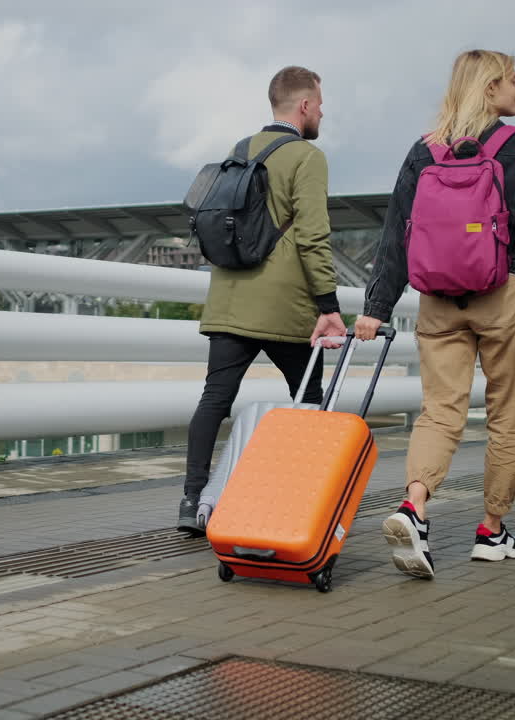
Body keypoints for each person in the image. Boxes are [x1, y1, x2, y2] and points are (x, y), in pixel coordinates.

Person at [354, 49, 515, 578]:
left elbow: (396, 236)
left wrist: (376, 307)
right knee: (510, 414)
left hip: (438, 299)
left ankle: (415, 507)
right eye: (514, 81)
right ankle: (491, 531)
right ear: (491, 86)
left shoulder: (424, 150)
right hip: (504, 292)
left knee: (440, 411)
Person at [176, 65, 347, 535]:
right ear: (305, 106)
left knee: (215, 398)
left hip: (229, 300)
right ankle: (304, 497)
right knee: (311, 400)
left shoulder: (238, 151)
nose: (322, 113)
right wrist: (329, 305)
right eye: (320, 103)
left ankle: (192, 500)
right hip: (284, 306)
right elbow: (313, 237)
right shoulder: (307, 157)